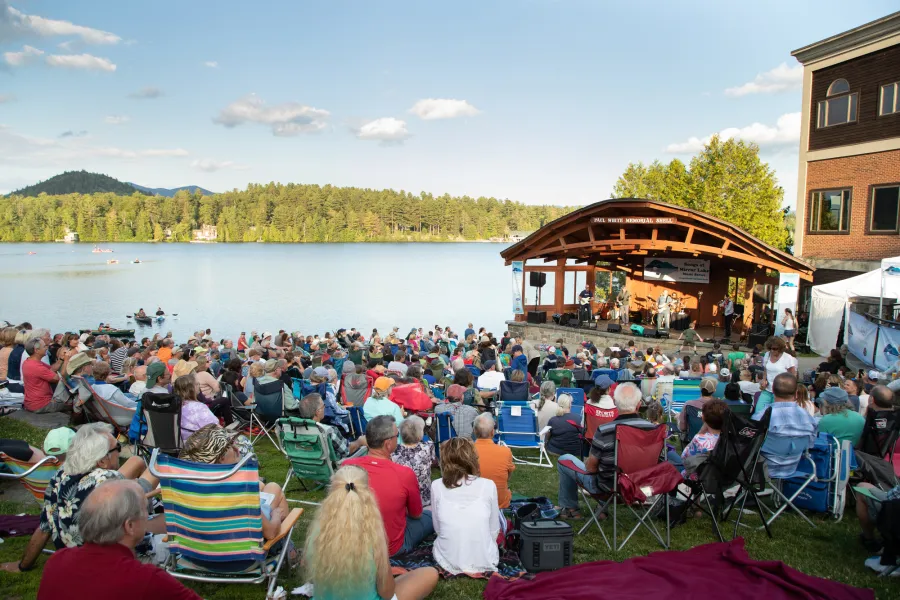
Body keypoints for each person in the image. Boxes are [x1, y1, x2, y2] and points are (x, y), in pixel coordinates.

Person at [1, 422, 161, 573]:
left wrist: (23, 565)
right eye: (117, 448)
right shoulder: (109, 480)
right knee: (163, 517)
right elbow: (139, 513)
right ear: (102, 460)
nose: (119, 452)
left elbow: (44, 528)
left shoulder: (60, 475)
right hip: (109, 562)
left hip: (72, 559)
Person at [36, 480, 201, 600]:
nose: (147, 516)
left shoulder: (57, 561)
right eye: (145, 510)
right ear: (130, 526)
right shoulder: (146, 579)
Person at [303, 466, 438, 600]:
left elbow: (313, 578)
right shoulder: (372, 535)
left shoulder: (317, 534)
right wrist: (385, 572)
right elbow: (387, 593)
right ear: (367, 494)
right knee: (430, 574)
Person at [555, 383, 656, 519]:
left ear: (615, 403)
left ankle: (570, 508)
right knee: (608, 469)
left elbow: (591, 468)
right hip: (643, 487)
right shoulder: (653, 430)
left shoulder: (605, 430)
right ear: (638, 405)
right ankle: (601, 509)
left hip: (608, 489)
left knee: (565, 459)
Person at [179, 424, 291, 542]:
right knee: (274, 489)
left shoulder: (186, 492)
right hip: (244, 549)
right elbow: (270, 533)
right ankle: (286, 548)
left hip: (198, 549)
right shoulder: (238, 491)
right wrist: (276, 515)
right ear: (221, 458)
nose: (237, 448)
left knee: (263, 486)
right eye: (230, 446)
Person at [343, 416, 434, 557]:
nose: (398, 439)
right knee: (431, 515)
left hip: (355, 544)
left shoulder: (346, 467)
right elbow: (416, 514)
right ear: (388, 444)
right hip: (392, 548)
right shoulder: (404, 474)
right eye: (397, 436)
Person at [431, 437, 500, 575]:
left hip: (448, 558)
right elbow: (494, 530)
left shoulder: (436, 485)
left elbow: (437, 529)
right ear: (472, 457)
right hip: (485, 558)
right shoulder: (488, 485)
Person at [758, 373, 818, 475]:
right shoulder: (809, 418)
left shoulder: (762, 416)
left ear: (773, 391)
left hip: (763, 470)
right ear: (796, 393)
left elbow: (751, 445)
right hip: (793, 468)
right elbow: (809, 445)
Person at [298, 394, 367, 465]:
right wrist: (360, 441)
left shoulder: (295, 430)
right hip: (331, 466)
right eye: (323, 405)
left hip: (305, 465)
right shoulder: (329, 431)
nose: (325, 407)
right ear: (318, 412)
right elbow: (346, 451)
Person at [672, 398, 726, 477]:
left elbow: (684, 458)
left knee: (671, 459)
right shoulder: (729, 440)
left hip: (696, 477)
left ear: (703, 418)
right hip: (719, 477)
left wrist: (700, 432)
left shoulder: (700, 440)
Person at [473, 413, 515, 509]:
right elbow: (508, 477)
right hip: (499, 502)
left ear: (474, 431)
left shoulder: (466, 451)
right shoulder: (505, 451)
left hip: (473, 501)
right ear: (492, 432)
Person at [392, 415, 435, 507]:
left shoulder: (394, 451)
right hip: (424, 497)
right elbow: (432, 461)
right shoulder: (428, 447)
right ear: (420, 434)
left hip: (403, 498)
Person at [174, 373, 218, 442]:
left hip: (183, 443)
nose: (199, 386)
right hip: (202, 444)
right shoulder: (198, 407)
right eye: (197, 384)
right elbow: (215, 428)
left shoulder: (175, 406)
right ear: (191, 389)